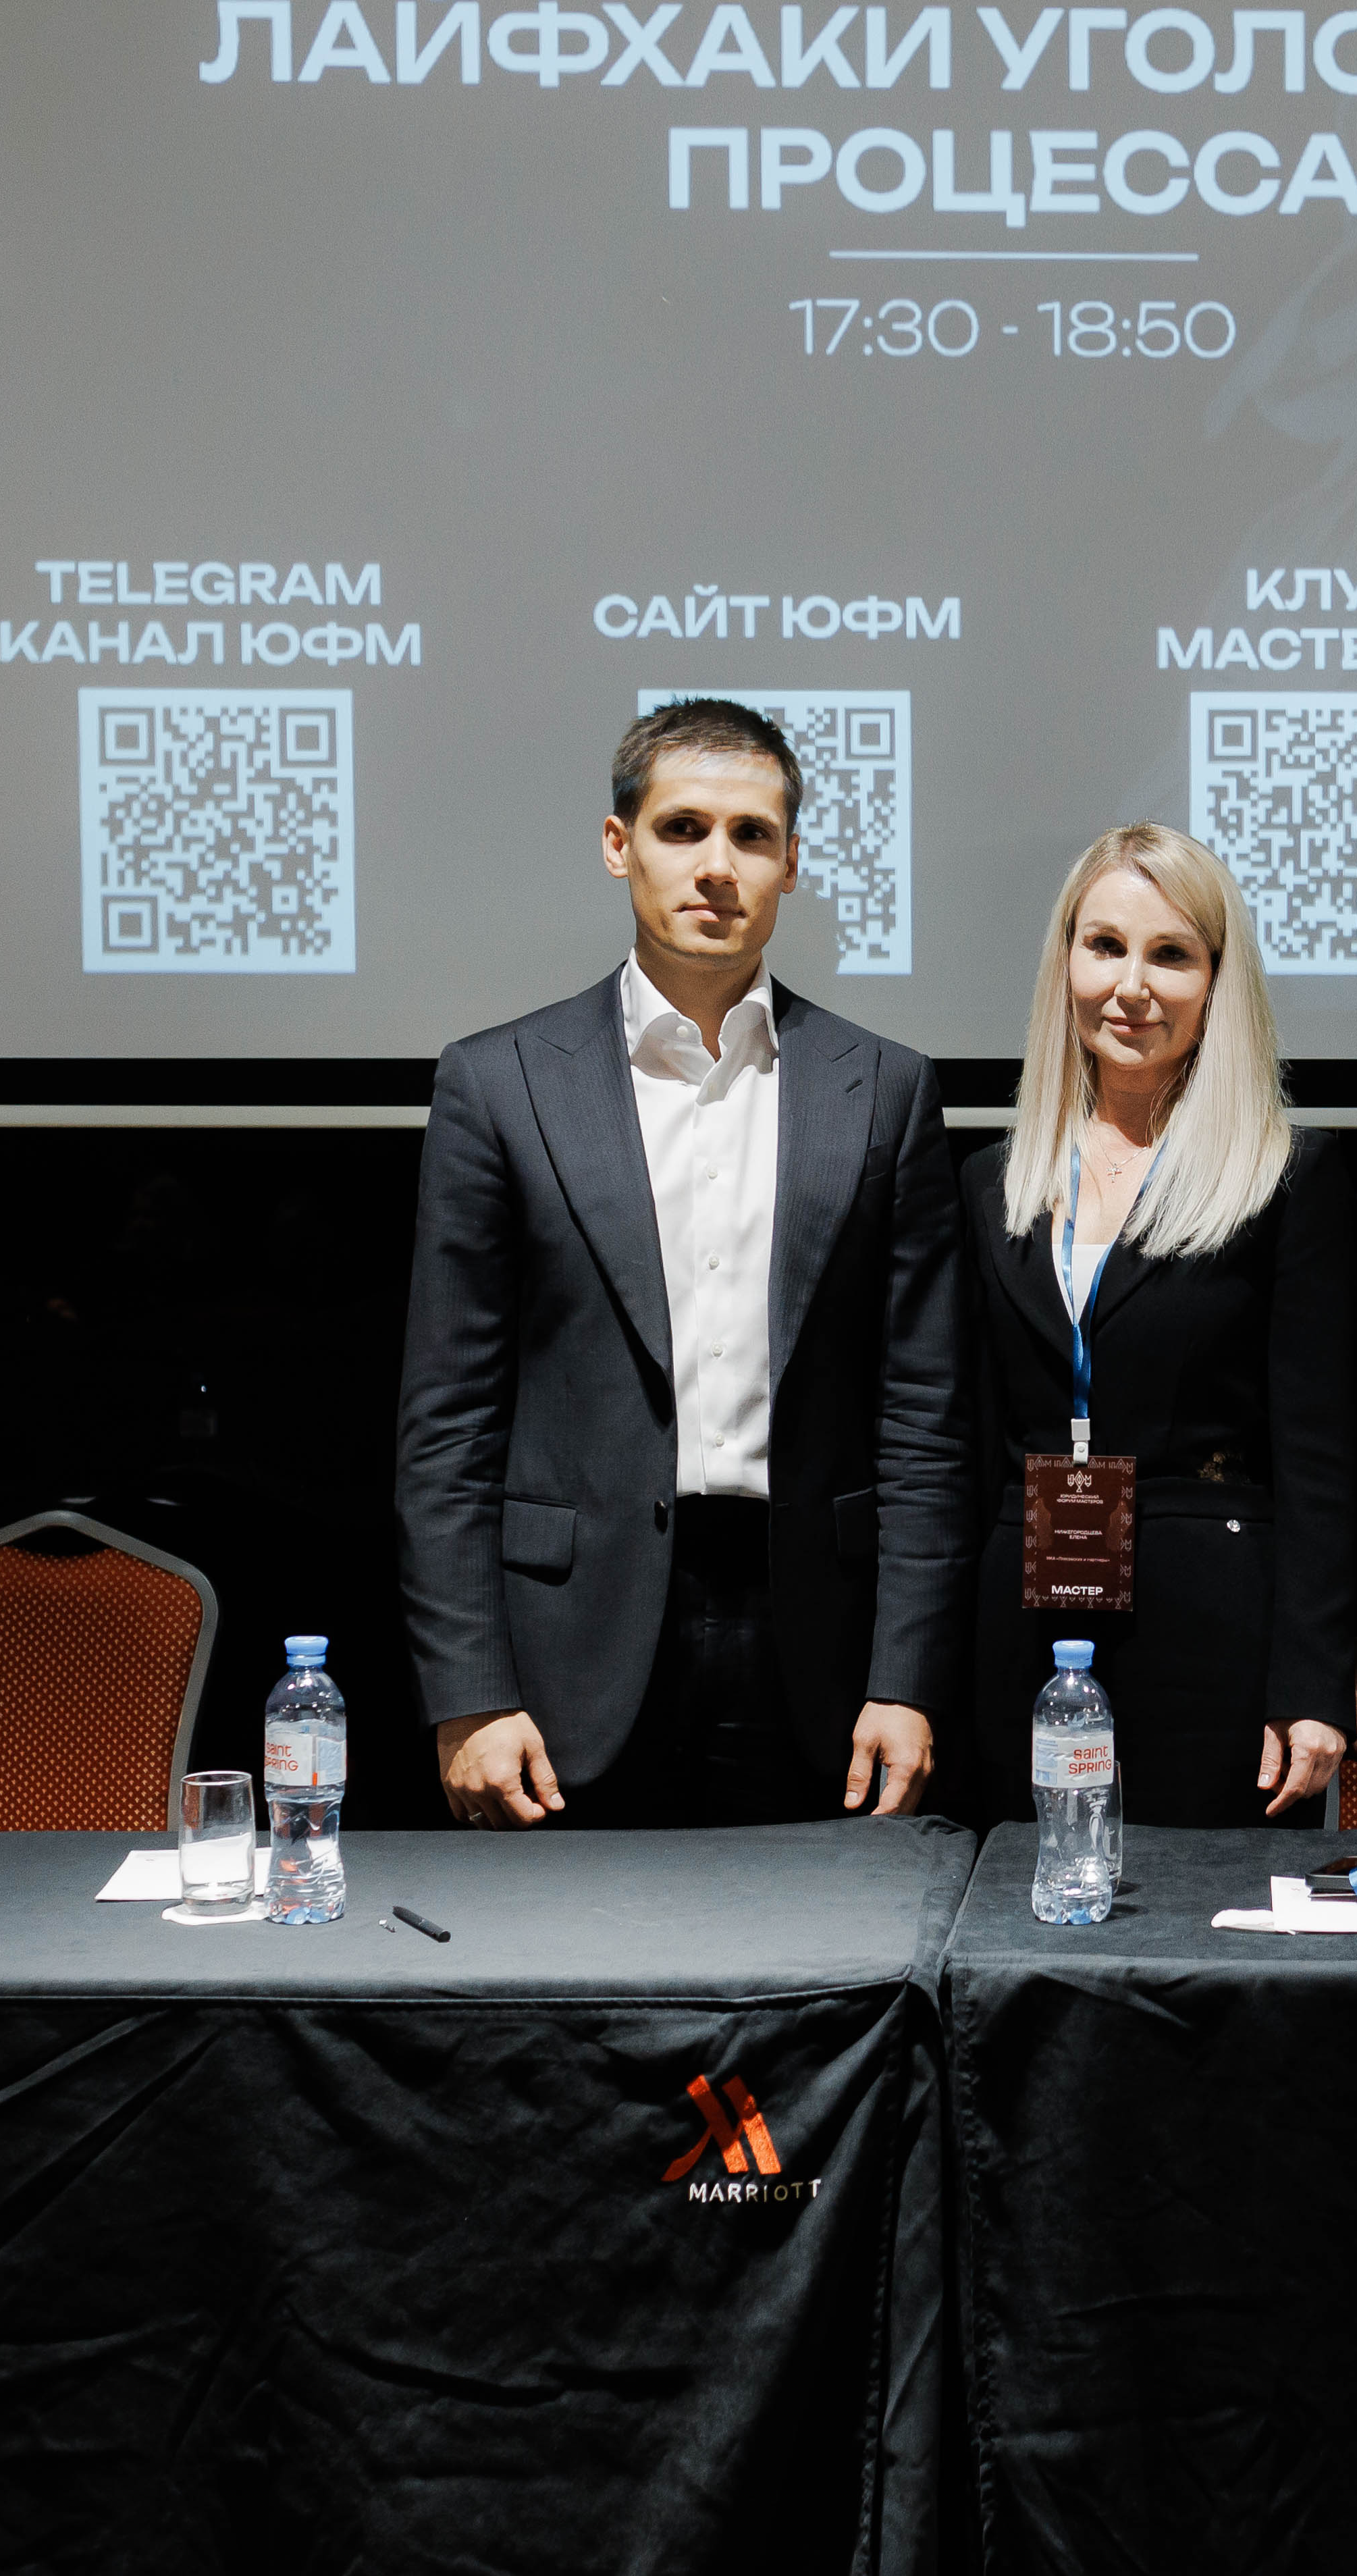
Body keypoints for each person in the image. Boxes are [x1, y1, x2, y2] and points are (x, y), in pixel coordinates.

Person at [397, 698, 972, 1828]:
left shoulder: (884, 1088)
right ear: (620, 845)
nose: (718, 865)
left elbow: (924, 1419)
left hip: (816, 1642)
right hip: (566, 1649)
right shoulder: (498, 1083)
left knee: (813, 1939)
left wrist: (907, 1677)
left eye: (752, 835)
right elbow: (448, 1424)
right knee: (570, 1945)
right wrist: (468, 1690)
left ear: (791, 863)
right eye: (683, 828)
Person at [961, 824, 1357, 1825]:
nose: (1131, 986)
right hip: (1017, 1625)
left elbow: (1321, 1457)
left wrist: (1311, 1679)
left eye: (1171, 954)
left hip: (1215, 1631)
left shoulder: (1287, 1177)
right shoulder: (988, 1181)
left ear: (1217, 981)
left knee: (1204, 1908)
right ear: (1066, 963)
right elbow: (957, 1445)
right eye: (1105, 946)